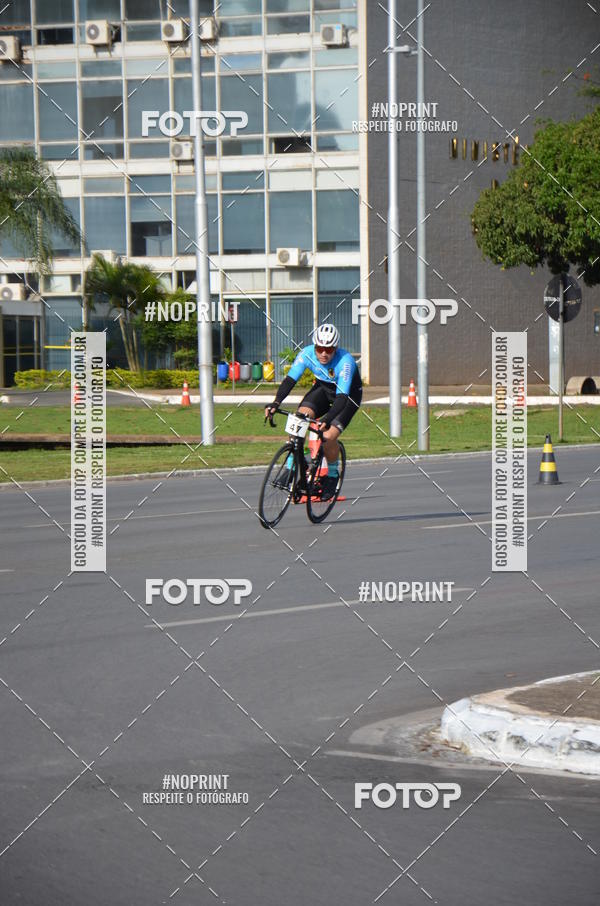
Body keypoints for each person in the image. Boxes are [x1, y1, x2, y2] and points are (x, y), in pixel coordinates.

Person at [265, 323, 363, 499]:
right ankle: (292, 466)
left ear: (335, 348)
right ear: (314, 346)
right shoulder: (306, 354)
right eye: (319, 348)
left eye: (329, 349)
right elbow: (290, 380)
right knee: (298, 419)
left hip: (347, 397)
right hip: (323, 390)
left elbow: (341, 398)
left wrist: (328, 419)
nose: (324, 353)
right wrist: (276, 403)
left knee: (328, 436)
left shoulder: (345, 362)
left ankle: (332, 475)